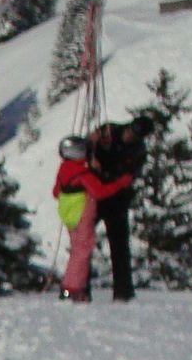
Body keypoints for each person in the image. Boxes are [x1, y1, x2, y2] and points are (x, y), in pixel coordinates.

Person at [53, 136, 133, 304]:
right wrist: (120, 183)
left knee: (77, 250)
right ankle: (72, 289)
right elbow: (99, 192)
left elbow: (56, 192)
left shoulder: (64, 169)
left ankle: (72, 288)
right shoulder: (82, 173)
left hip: (68, 214)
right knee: (82, 251)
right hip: (82, 213)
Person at [91, 118, 146, 303]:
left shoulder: (138, 151)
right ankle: (77, 287)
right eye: (131, 131)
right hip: (97, 195)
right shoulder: (109, 130)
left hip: (116, 201)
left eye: (136, 135)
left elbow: (127, 176)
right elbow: (86, 145)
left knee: (120, 247)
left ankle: (123, 291)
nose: (131, 136)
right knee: (82, 243)